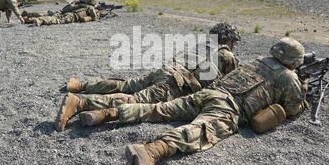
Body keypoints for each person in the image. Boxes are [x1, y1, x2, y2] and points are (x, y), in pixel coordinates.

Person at [55, 37, 309, 165]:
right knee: (200, 130)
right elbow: (293, 108)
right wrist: (303, 89)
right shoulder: (287, 77)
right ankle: (152, 151)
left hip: (207, 93)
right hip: (228, 107)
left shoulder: (257, 61)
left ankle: (105, 113)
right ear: (294, 60)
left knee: (158, 110)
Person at [55, 23, 241, 132]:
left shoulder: (201, 44)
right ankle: (79, 104)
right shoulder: (227, 56)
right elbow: (229, 85)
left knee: (127, 85)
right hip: (175, 83)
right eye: (234, 42)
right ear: (230, 40)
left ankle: (81, 85)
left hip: (166, 71)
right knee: (134, 99)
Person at [23, 0, 100, 27]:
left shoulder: (81, 5)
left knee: (54, 16)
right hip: (73, 16)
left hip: (68, 13)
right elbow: (94, 18)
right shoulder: (90, 7)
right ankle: (40, 20)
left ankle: (30, 19)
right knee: (58, 20)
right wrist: (98, 13)